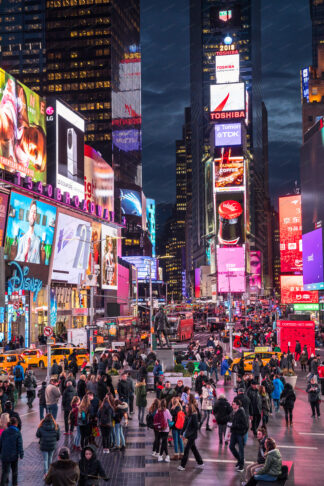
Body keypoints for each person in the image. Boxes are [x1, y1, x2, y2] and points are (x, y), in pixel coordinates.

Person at [177, 403, 204, 471]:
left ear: (190, 408)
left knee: (186, 450)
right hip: (189, 435)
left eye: (186, 407)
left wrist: (189, 434)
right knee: (194, 449)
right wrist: (181, 433)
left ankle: (182, 465)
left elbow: (196, 427)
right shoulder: (188, 416)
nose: (185, 408)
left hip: (192, 436)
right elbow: (185, 425)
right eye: (185, 407)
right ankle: (200, 462)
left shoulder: (194, 416)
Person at [0, 416, 23, 486]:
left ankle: (2, 484)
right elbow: (19, 445)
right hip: (13, 455)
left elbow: (0, 443)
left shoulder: (4, 432)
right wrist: (21, 454)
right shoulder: (17, 432)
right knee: (14, 471)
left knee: (5, 472)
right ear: (16, 424)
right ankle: (14, 484)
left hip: (5, 454)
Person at [229, 397, 248, 473]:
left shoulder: (241, 413)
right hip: (234, 433)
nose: (232, 405)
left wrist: (234, 426)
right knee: (231, 446)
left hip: (240, 434)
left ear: (237, 405)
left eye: (233, 404)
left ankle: (241, 465)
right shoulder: (233, 412)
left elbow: (245, 425)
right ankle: (240, 460)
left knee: (241, 450)